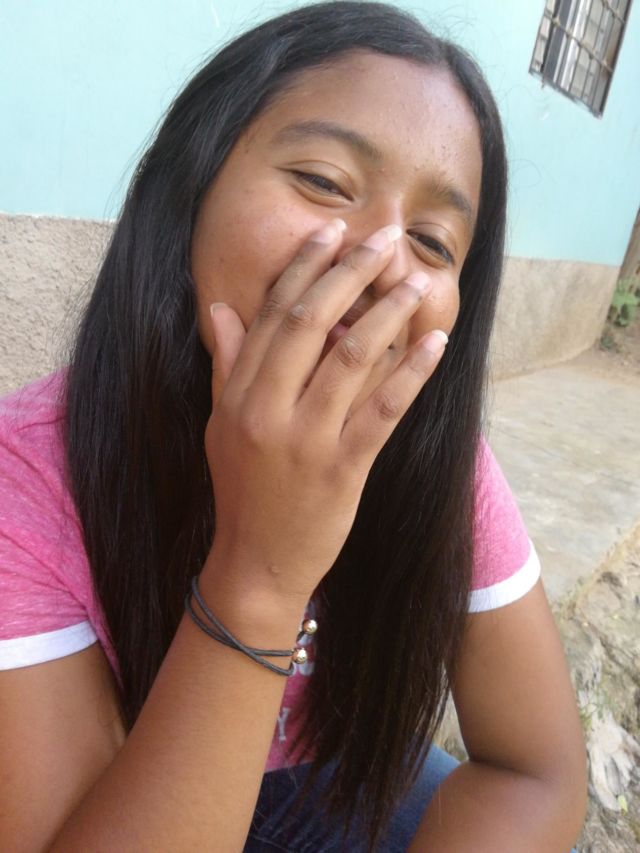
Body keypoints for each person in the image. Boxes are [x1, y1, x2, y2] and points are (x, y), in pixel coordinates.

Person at [0, 2, 587, 850]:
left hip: (322, 786)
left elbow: (538, 772)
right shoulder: (25, 482)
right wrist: (260, 577)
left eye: (432, 241)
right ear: (189, 186)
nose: (382, 259)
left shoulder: (435, 461)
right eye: (324, 181)